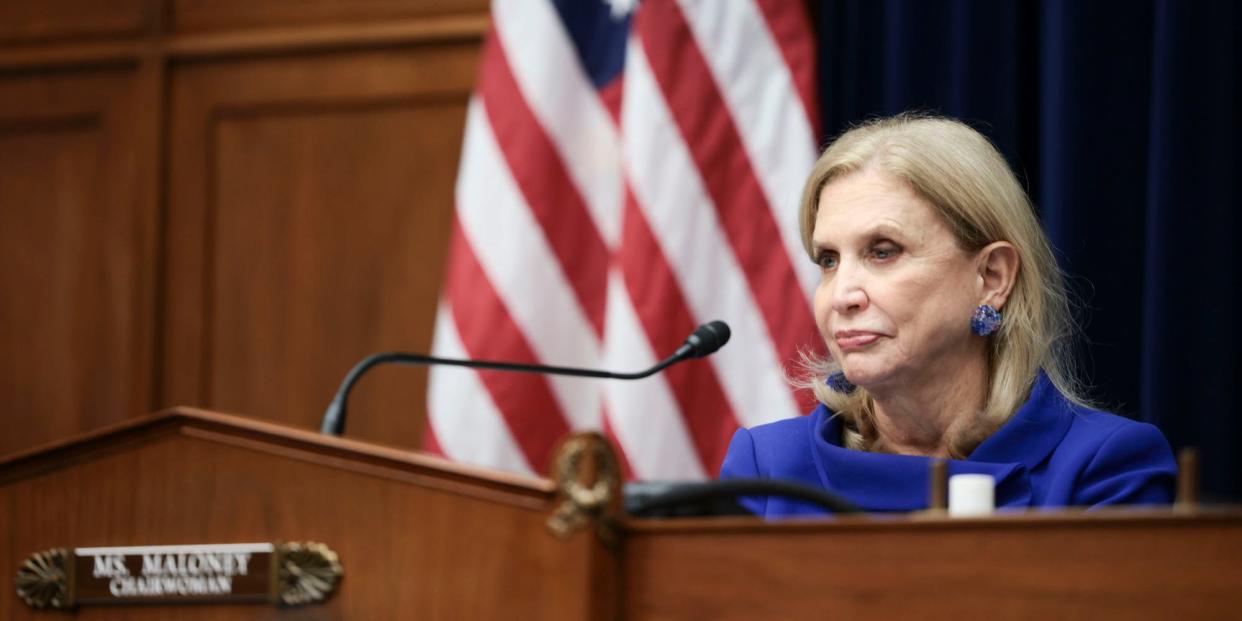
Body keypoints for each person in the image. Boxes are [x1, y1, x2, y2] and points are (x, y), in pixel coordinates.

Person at [719, 113, 1177, 516]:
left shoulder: (1103, 468)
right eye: (828, 260)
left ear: (992, 277)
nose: (841, 295)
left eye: (882, 251)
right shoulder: (766, 467)